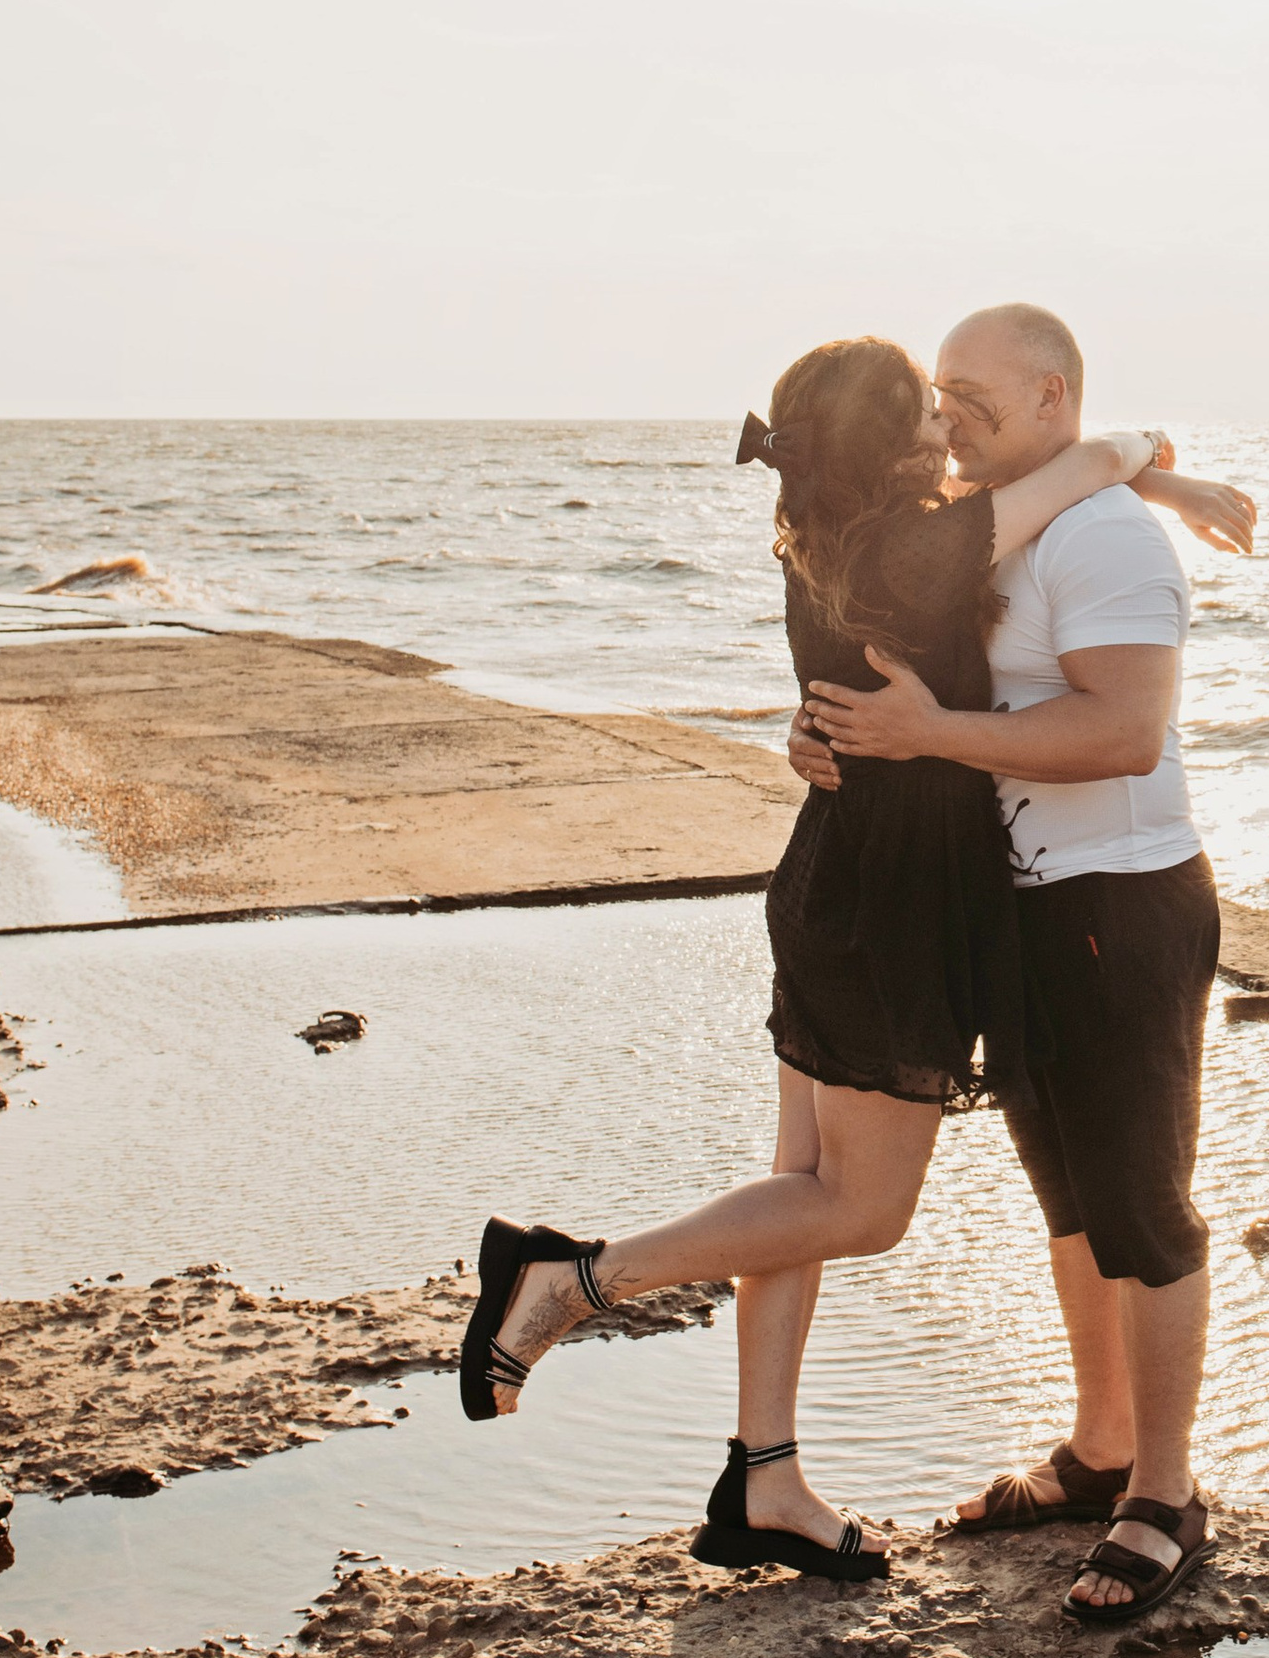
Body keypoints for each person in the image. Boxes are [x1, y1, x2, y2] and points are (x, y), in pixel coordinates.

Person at [455, 330, 1205, 1586]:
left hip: (833, 875)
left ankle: (765, 1479)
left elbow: (1046, 491)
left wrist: (1155, 478)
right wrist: (1141, 455)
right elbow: (1076, 469)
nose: (947, 424)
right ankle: (574, 1279)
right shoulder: (922, 544)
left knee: (797, 1189)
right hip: (892, 908)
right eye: (930, 408)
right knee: (857, 1207)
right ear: (892, 444)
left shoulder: (834, 535)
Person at [797, 300, 1254, 1624]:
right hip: (1022, 910)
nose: (945, 419)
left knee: (1143, 1209)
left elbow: (1122, 732)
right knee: (1069, 1202)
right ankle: (1100, 1447)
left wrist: (928, 734)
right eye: (937, 394)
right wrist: (827, 735)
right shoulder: (1003, 513)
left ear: (1051, 396)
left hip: (1121, 904)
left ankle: (1165, 1494)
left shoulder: (1105, 538)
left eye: (973, 396)